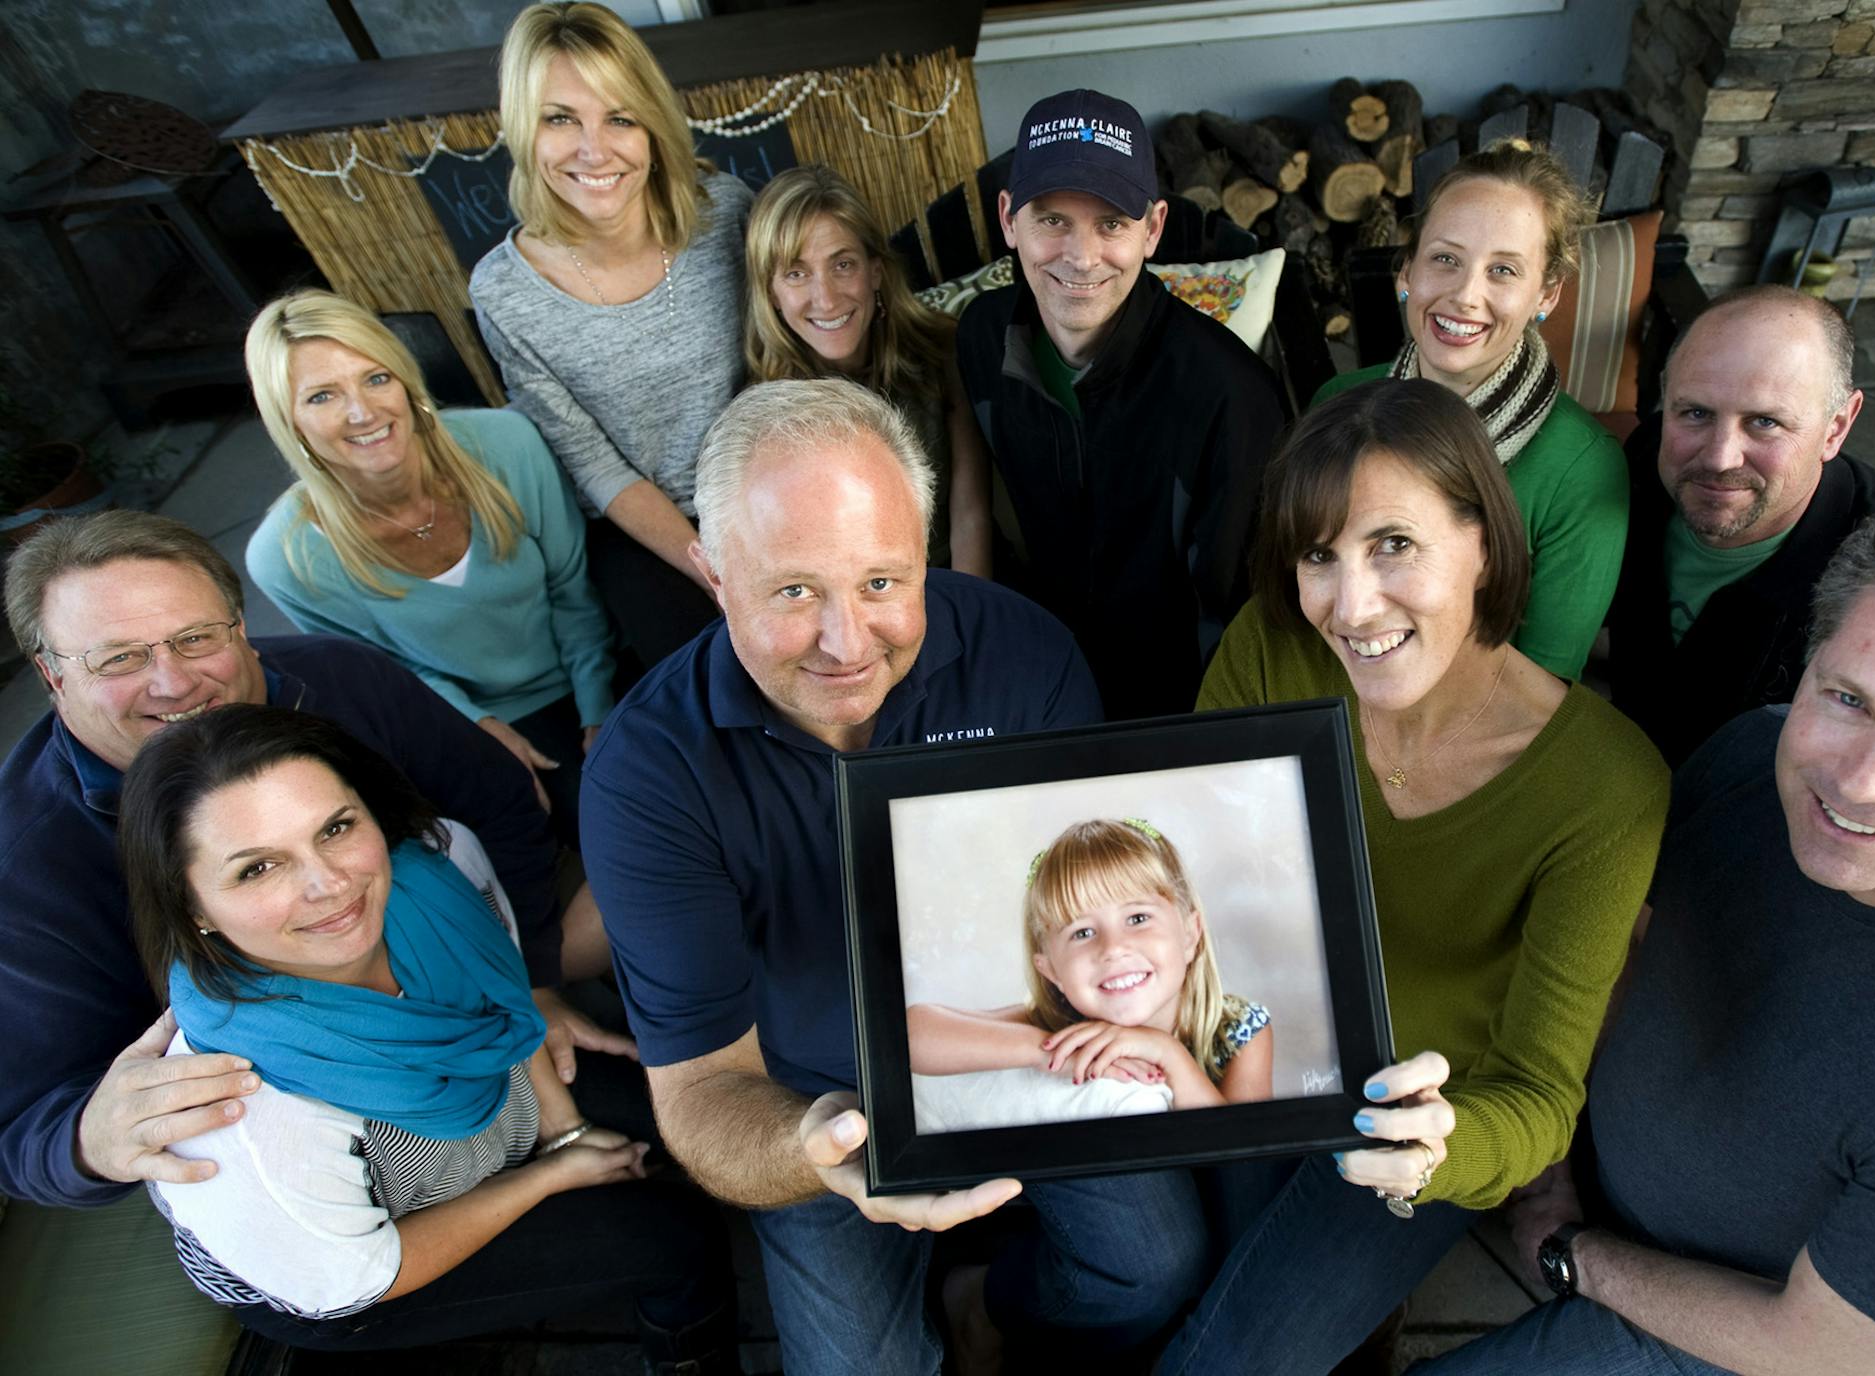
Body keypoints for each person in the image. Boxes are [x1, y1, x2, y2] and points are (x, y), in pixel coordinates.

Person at [1424, 483, 1875, 1376]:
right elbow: (1629, 939)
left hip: (1736, 1330)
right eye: (1848, 698)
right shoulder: (1755, 756)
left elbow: (1817, 1350)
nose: (1863, 781)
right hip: (1568, 1151)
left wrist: (1569, 1251)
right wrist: (1544, 1132)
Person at [580, 378, 1209, 1373]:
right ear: (711, 571)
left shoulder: (1020, 654)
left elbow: (1095, 895)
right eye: (794, 590)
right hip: (819, 1093)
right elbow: (702, 1093)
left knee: (1154, 1266)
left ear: (927, 553)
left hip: (1027, 1047)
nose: (846, 641)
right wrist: (823, 1147)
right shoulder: (647, 775)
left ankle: (987, 1302)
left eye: (882, 581)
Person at [1154, 378, 1670, 1374]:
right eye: (1320, 555)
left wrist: (1442, 1148)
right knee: (1175, 1279)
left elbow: (1535, 1095)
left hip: (1417, 1111)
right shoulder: (1276, 649)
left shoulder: (1605, 786)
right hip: (1262, 1045)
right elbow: (1186, 852)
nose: (1351, 606)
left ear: (1483, 540)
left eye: (1394, 544)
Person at [0, 510, 624, 1213]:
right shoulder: (26, 863)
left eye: (197, 637)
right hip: (316, 1128)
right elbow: (24, 1126)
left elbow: (499, 801)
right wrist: (89, 1139)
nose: (173, 683)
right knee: (652, 1228)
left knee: (652, 1107)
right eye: (118, 658)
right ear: (51, 677)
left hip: (474, 1001)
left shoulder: (340, 677)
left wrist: (533, 981)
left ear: (239, 625)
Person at [117, 705, 730, 1369]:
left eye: (337, 827)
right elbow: (358, 1273)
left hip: (492, 1115)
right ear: (192, 907)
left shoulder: (432, 874)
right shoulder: (245, 1119)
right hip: (351, 1268)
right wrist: (553, 1176)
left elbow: (504, 1002)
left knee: (700, 1114)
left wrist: (566, 1128)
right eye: (258, 868)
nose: (330, 885)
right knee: (674, 1239)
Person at [954, 88, 1287, 719]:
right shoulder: (981, 340)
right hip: (1036, 674)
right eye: (1052, 220)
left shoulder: (1230, 397)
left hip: (1178, 702)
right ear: (1007, 219)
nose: (1081, 259)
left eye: (1111, 224)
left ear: (1153, 228)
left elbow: (1245, 613)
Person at [243, 289, 616, 838]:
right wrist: (482, 730)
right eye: (322, 396)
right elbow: (392, 673)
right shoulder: (287, 558)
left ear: (406, 380)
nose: (362, 413)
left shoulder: (506, 445)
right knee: (591, 830)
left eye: (376, 378)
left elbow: (573, 590)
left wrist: (599, 712)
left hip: (595, 666)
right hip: (469, 714)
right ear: (289, 420)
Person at [470, 0, 753, 669]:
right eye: (560, 119)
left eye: (620, 118)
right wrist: (713, 569)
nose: (595, 151)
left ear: (652, 126)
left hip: (764, 484)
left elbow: (781, 368)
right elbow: (594, 465)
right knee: (710, 679)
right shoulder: (503, 292)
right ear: (522, 129)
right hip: (643, 530)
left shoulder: (729, 216)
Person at [1314, 139, 1628, 683]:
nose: (1465, 295)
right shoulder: (1337, 404)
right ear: (1407, 271)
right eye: (1445, 259)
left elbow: (1541, 684)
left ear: (1546, 294)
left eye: (1503, 271)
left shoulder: (1583, 471)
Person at [1605, 284, 1875, 766]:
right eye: (1696, 413)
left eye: (1765, 422)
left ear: (1836, 427)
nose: (1720, 458)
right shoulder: (1639, 468)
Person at [908, 817, 1275, 1108]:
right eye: (1082, 932)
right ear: (1051, 970)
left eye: (1137, 919)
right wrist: (1046, 1052)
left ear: (1190, 934)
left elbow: (1243, 1169)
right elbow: (907, 1035)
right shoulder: (1063, 1026)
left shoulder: (1240, 1029)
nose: (1113, 948)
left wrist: (1169, 1054)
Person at [743, 164, 991, 575]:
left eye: (843, 265)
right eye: (796, 273)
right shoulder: (767, 414)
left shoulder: (941, 348)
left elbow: (971, 513)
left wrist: (970, 621)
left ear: (875, 270)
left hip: (958, 582)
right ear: (771, 292)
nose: (825, 299)